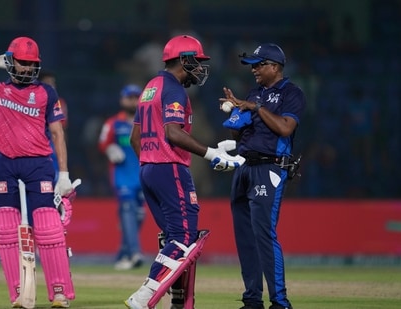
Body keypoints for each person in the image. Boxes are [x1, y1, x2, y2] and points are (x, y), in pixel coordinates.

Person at [0, 36, 75, 308]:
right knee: (7, 231)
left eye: (33, 64)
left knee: (48, 229)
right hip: (4, 164)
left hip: (38, 164)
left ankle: (59, 292)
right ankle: (18, 293)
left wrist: (63, 174)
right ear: (10, 61)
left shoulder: (46, 93)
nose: (29, 69)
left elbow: (57, 133)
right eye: (23, 63)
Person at [125, 34, 244, 309]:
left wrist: (150, 161)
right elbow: (173, 133)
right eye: (198, 62)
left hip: (149, 170)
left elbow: (135, 138)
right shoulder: (175, 89)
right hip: (170, 169)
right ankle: (145, 296)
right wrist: (211, 153)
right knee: (185, 238)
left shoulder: (150, 87)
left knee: (174, 238)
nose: (201, 68)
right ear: (184, 60)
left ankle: (178, 302)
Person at [219, 43, 306, 309]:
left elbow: (284, 128)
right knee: (245, 237)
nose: (254, 69)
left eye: (259, 64)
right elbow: (238, 134)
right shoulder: (254, 93)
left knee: (264, 234)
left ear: (275, 67)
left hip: (269, 169)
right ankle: (252, 300)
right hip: (244, 168)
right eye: (252, 65)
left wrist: (255, 108)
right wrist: (236, 112)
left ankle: (280, 302)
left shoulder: (291, 93)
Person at [98, 84, 146, 271]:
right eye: (129, 97)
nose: (133, 101)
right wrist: (110, 148)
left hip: (142, 175)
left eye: (136, 97)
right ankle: (134, 253)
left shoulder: (146, 122)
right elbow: (103, 143)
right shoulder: (113, 123)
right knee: (128, 209)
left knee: (139, 216)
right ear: (122, 100)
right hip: (122, 177)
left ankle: (123, 254)